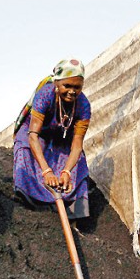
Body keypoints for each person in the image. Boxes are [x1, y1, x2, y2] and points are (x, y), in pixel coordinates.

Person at [12, 58, 92, 219]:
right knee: (25, 150)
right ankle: (34, 205)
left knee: (79, 161)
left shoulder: (84, 106)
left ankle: (74, 213)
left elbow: (76, 146)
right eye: (67, 86)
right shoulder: (45, 95)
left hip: (61, 135)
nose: (72, 91)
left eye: (77, 87)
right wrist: (47, 171)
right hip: (36, 132)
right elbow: (33, 136)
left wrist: (66, 172)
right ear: (56, 83)